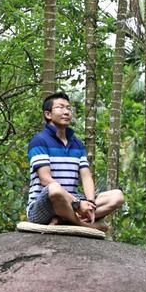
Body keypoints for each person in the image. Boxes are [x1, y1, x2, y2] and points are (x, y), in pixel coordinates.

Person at [26, 92, 124, 231]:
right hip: (43, 206)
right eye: (60, 107)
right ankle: (82, 224)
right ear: (48, 114)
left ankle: (64, 219)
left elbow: (86, 176)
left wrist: (89, 203)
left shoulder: (77, 143)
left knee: (116, 196)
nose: (66, 112)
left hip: (71, 203)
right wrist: (78, 203)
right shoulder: (39, 141)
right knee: (54, 189)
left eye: (68, 108)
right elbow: (45, 179)